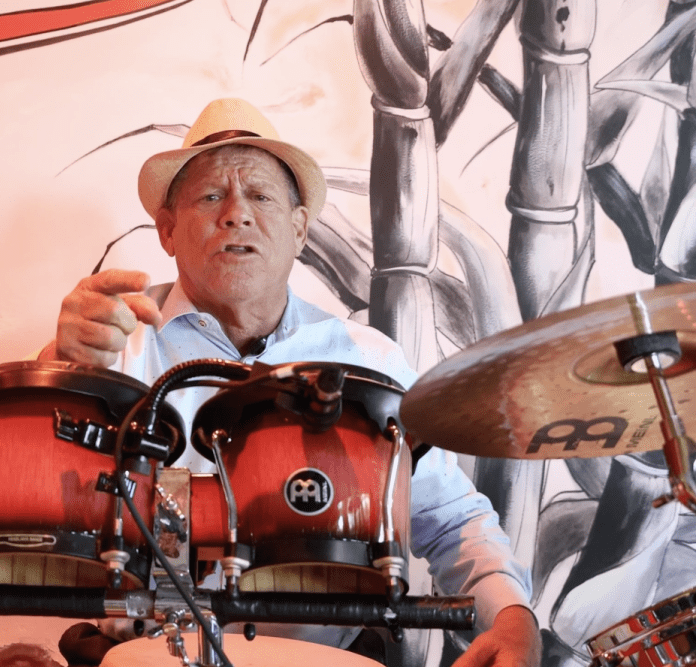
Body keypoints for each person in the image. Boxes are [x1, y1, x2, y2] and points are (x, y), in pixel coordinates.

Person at [39, 98, 541, 667]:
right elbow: (36, 492)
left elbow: (449, 520)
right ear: (168, 230)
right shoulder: (113, 341)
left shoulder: (367, 360)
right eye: (211, 196)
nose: (236, 214)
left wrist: (512, 617)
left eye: (260, 196)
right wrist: (61, 363)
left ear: (299, 230)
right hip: (146, 654)